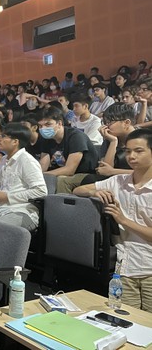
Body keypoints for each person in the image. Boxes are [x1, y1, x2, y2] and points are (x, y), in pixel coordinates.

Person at [73, 129, 152, 313]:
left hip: (149, 270)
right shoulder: (118, 181)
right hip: (124, 269)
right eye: (128, 151)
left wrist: (123, 219)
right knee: (126, 321)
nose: (131, 156)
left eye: (138, 151)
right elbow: (78, 190)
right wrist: (94, 192)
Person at [39, 107, 98, 193]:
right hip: (64, 172)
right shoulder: (47, 139)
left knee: (61, 180)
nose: (43, 129)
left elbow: (70, 170)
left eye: (48, 124)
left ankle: (57, 206)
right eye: (40, 126)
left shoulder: (76, 136)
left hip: (86, 174)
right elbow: (43, 167)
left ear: (59, 123)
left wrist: (42, 175)